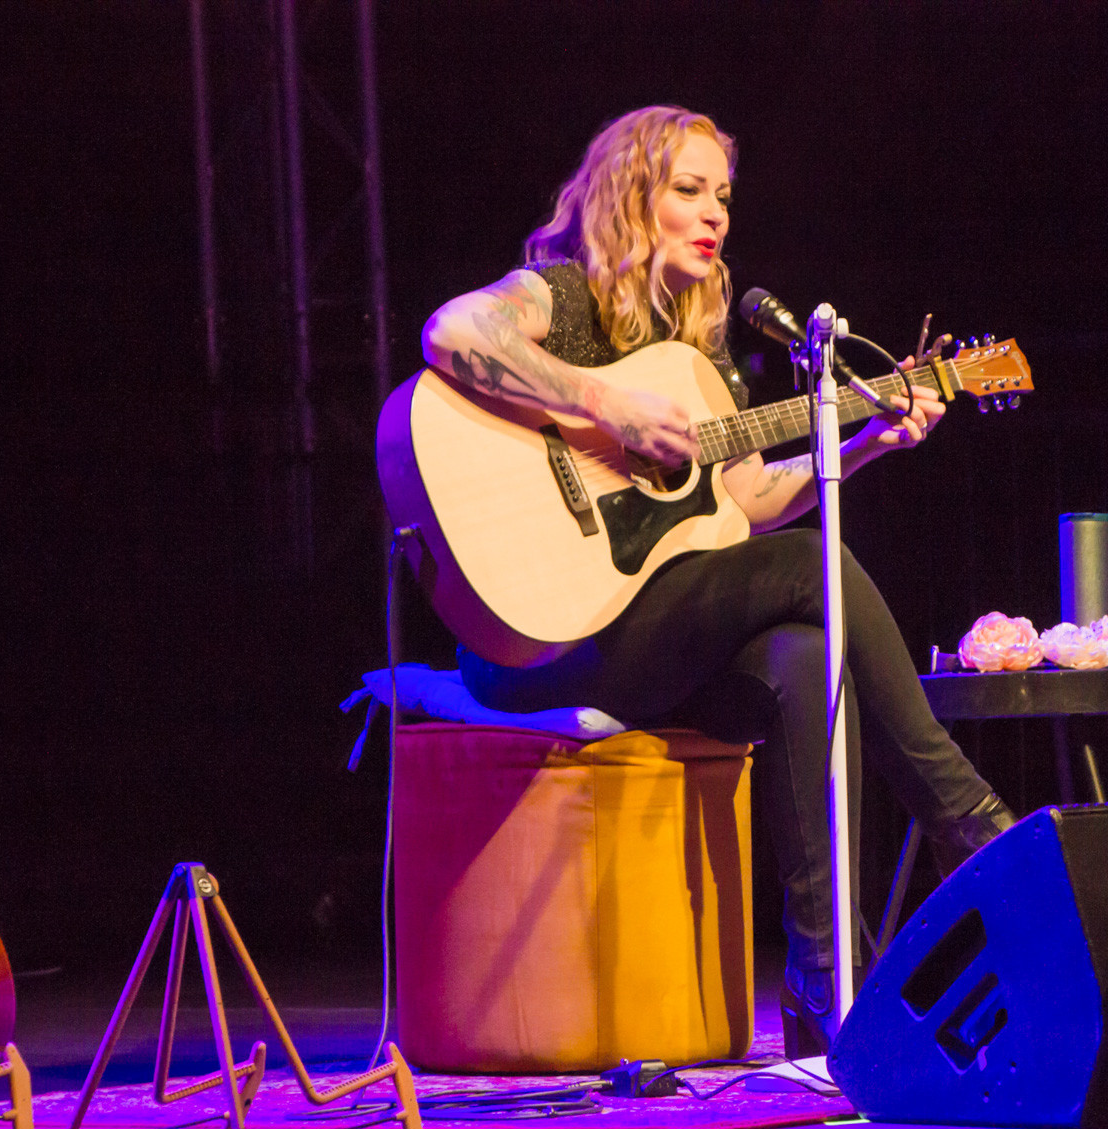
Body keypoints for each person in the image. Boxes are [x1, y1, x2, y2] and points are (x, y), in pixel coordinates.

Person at [419, 105, 1015, 1055]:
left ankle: (822, 984)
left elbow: (745, 497)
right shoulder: (562, 298)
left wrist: (858, 446)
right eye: (688, 191)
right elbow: (453, 332)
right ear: (630, 198)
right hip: (540, 642)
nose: (715, 215)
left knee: (798, 654)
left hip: (645, 635)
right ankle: (967, 821)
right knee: (803, 571)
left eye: (724, 196)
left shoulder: (699, 357)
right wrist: (607, 406)